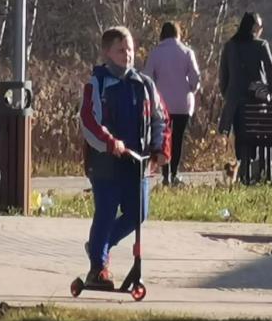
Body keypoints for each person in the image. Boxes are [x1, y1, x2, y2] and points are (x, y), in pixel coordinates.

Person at [79, 26, 168, 286]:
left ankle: (100, 246)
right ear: (107, 53)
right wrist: (110, 142)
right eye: (120, 50)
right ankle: (98, 268)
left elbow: (160, 119)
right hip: (106, 162)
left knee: (138, 213)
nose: (127, 54)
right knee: (106, 213)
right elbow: (89, 121)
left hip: (137, 162)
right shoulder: (97, 84)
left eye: (129, 49)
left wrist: (160, 148)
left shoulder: (144, 84)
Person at [218, 12, 272, 184]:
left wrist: (228, 94)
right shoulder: (261, 45)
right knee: (258, 136)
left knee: (241, 137)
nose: (261, 30)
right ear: (254, 28)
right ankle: (256, 172)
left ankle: (244, 172)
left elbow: (223, 76)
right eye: (259, 27)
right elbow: (271, 70)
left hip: (237, 105)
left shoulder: (230, 46)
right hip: (258, 104)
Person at [143, 21, 201, 186]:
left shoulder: (155, 53)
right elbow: (196, 79)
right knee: (178, 139)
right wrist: (191, 89)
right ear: (178, 34)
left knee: (164, 138)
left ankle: (165, 174)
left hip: (162, 105)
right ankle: (175, 173)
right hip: (183, 103)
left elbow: (147, 78)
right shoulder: (187, 52)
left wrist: (152, 96)